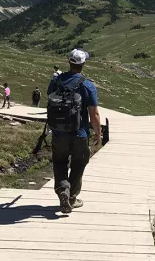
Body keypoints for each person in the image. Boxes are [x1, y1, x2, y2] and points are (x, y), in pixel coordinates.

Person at [48, 49, 100, 214]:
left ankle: (63, 188)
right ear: (83, 64)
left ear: (69, 62)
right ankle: (71, 198)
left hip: (58, 133)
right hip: (80, 134)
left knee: (59, 162)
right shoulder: (87, 85)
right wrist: (98, 133)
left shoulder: (57, 81)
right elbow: (94, 114)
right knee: (78, 164)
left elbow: (50, 97)